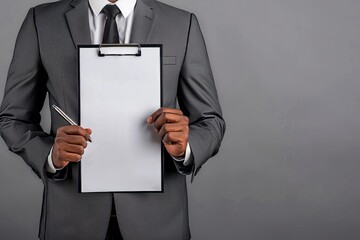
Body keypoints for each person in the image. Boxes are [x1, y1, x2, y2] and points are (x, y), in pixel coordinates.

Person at [0, 0, 225, 239]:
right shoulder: (42, 21)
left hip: (158, 221)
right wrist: (49, 155)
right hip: (70, 219)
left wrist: (186, 147)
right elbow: (13, 118)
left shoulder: (181, 23)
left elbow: (210, 121)